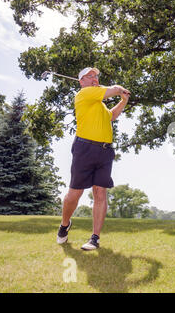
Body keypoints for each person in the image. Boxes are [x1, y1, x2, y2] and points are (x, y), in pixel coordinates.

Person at [56, 67, 130, 251]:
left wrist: (123, 101)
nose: (94, 78)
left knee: (100, 193)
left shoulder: (99, 104)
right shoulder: (84, 94)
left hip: (105, 151)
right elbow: (111, 89)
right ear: (82, 81)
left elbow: (111, 116)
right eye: (90, 76)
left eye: (96, 76)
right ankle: (65, 224)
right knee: (75, 193)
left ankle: (94, 238)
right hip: (85, 148)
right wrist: (119, 89)